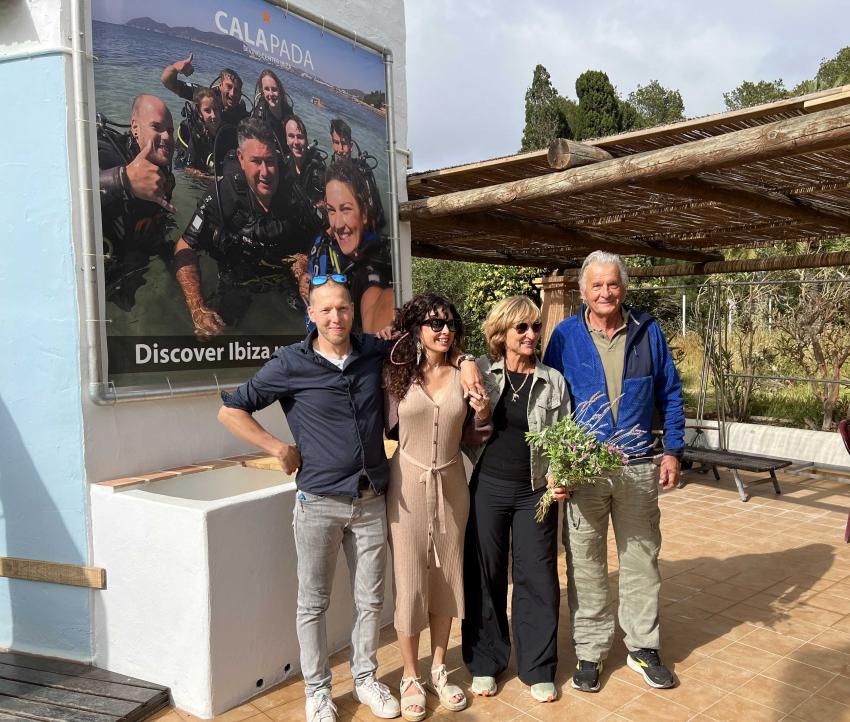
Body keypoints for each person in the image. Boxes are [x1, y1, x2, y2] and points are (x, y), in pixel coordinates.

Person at [218, 277, 486, 722]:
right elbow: (231, 409)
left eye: (342, 308)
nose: (336, 317)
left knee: (369, 601)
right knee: (313, 603)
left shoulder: (374, 351)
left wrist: (467, 358)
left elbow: (431, 341)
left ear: (352, 312)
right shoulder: (289, 363)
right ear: (311, 314)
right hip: (318, 501)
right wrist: (277, 448)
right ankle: (318, 692)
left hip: (371, 500)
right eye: (326, 311)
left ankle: (366, 680)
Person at [542, 250, 685, 693]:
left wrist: (673, 450)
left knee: (641, 559)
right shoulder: (565, 336)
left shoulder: (648, 332)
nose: (605, 292)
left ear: (623, 287)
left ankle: (643, 648)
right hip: (584, 469)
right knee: (585, 563)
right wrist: (556, 466)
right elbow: (549, 400)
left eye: (613, 284)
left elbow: (672, 392)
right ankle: (590, 651)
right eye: (596, 285)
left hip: (638, 465)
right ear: (583, 292)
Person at [382, 293, 491, 721]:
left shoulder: (466, 376)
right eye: (433, 323)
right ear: (417, 330)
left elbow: (478, 433)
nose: (443, 330)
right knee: (409, 580)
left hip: (451, 483)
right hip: (405, 486)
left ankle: (440, 668)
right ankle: (411, 675)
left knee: (447, 577)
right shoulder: (395, 373)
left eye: (449, 323)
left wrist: (480, 411)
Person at [461, 296, 568, 704]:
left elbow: (561, 438)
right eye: (521, 328)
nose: (531, 335)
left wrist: (561, 476)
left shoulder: (552, 381)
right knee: (484, 575)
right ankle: (486, 662)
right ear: (501, 333)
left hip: (535, 492)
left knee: (537, 577)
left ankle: (538, 667)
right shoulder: (482, 377)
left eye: (536, 327)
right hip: (487, 486)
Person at [173, 118, 319, 338]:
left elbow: (315, 241)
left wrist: (302, 270)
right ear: (241, 159)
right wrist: (197, 308)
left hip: (282, 276)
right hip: (238, 277)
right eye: (256, 161)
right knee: (210, 333)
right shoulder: (224, 194)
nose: (265, 172)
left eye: (270, 161)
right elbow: (185, 246)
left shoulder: (294, 197)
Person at [97, 94, 176, 311]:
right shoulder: (107, 154)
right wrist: (123, 178)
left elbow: (158, 226)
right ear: (135, 127)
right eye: (156, 127)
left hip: (132, 270)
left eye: (170, 129)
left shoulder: (163, 176)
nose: (167, 136)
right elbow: (64, 190)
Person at [300, 159, 393, 334]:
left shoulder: (374, 270)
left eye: (346, 209)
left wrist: (385, 329)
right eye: (332, 210)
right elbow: (304, 262)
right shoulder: (326, 241)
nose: (337, 224)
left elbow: (377, 304)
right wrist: (302, 276)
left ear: (364, 212)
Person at [161, 55, 249, 127]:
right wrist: (175, 68)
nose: (232, 93)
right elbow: (168, 82)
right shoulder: (205, 97)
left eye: (237, 90)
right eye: (229, 86)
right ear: (220, 85)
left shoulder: (241, 112)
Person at [284, 114, 327, 207]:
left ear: (307, 140)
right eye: (291, 136)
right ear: (286, 140)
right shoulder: (284, 165)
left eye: (300, 137)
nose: (296, 142)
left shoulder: (319, 173)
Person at [175, 87, 220, 174]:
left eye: (215, 109)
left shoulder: (224, 130)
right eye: (207, 111)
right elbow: (189, 169)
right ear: (199, 113)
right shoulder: (197, 135)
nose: (213, 115)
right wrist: (212, 179)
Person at [252, 69, 293, 151]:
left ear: (280, 90)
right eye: (267, 89)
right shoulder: (259, 114)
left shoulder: (288, 112)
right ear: (262, 92)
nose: (270, 94)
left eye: (274, 89)